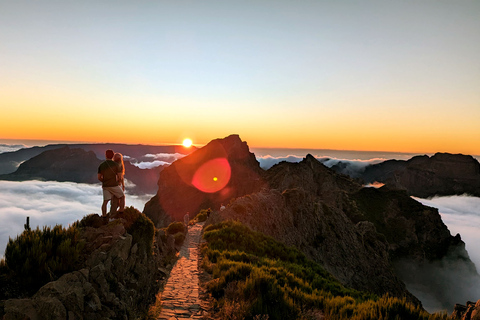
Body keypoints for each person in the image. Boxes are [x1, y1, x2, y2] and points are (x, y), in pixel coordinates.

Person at [97, 149, 124, 216]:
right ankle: (121, 211)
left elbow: (99, 177)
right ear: (112, 156)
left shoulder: (101, 165)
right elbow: (119, 177)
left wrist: (104, 181)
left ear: (106, 155)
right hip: (114, 185)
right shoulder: (116, 165)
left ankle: (104, 216)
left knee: (105, 202)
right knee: (122, 197)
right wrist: (120, 183)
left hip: (105, 186)